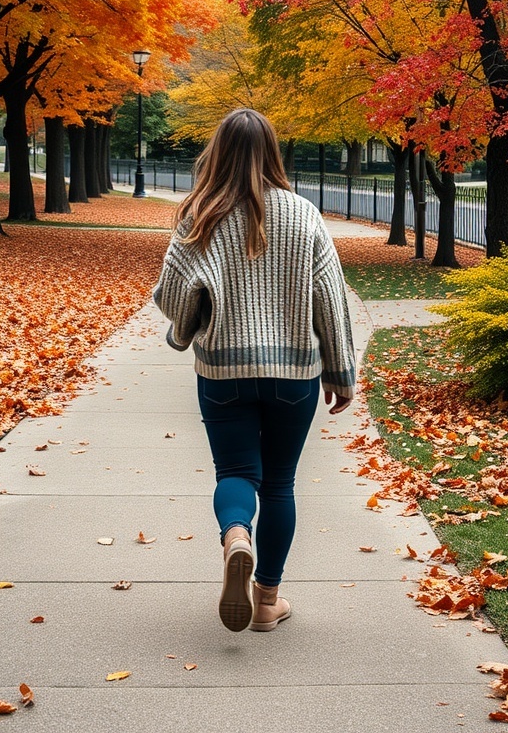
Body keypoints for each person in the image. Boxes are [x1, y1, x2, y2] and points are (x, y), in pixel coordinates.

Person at [154, 109, 355, 634]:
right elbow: (329, 298)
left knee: (236, 473)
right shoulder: (303, 214)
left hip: (224, 373)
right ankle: (267, 601)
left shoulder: (199, 217)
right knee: (281, 483)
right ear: (272, 151)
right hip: (294, 375)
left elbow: (176, 295)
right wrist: (340, 370)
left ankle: (236, 536)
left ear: (216, 152)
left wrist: (185, 331)